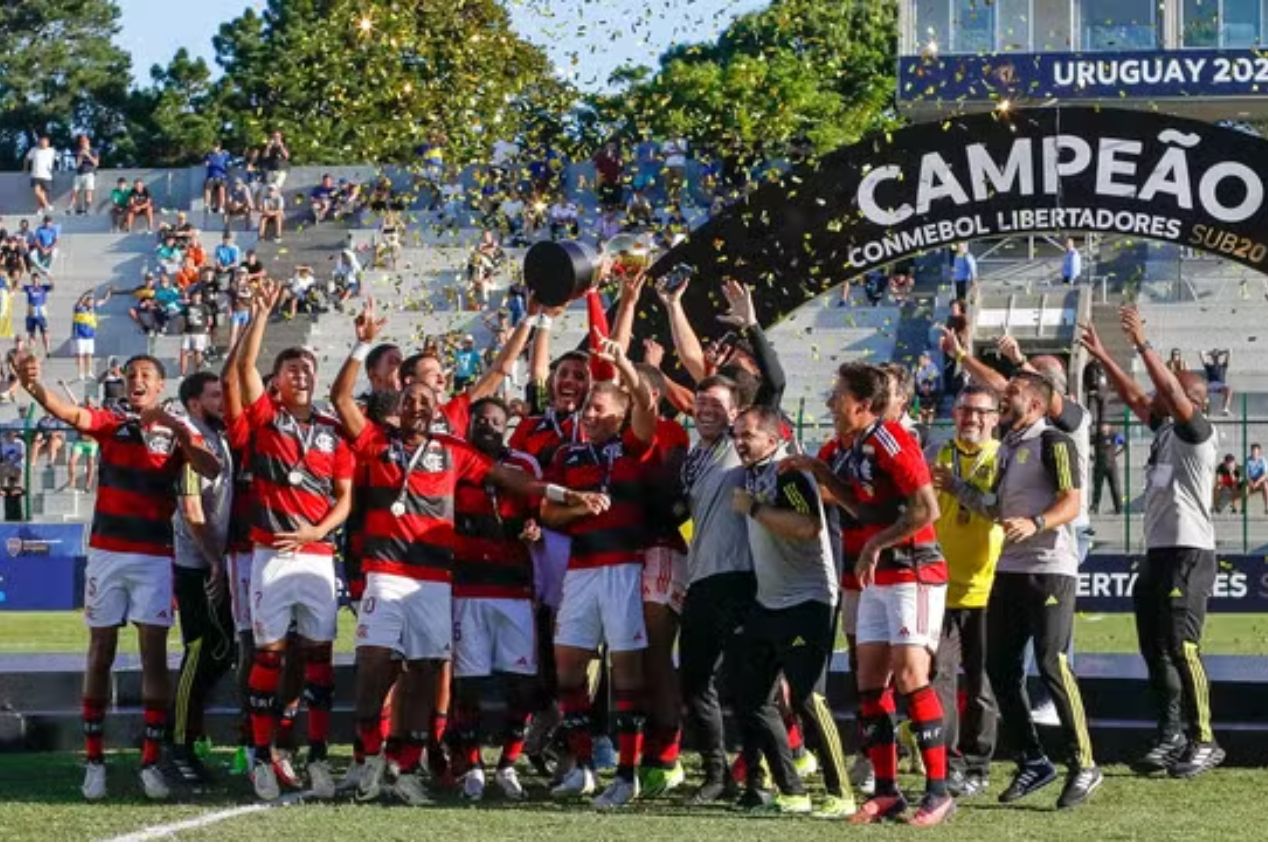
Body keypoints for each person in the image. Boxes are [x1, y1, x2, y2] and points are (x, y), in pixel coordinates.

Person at [14, 351, 220, 802]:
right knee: (100, 651)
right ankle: (94, 762)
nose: (136, 381)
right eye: (130, 375)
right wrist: (33, 386)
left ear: (161, 385)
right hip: (107, 553)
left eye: (146, 375)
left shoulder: (178, 430)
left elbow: (212, 469)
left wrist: (179, 429)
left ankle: (149, 762)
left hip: (153, 558)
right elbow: (66, 410)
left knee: (152, 655)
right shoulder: (111, 422)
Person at [790, 363, 951, 825]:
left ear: (862, 404)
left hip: (913, 570)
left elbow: (927, 508)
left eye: (838, 393)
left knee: (909, 674)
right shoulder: (849, 448)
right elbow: (862, 506)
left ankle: (938, 791)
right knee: (869, 681)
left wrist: (876, 546)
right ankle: (886, 791)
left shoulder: (892, 440)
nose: (829, 400)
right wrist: (818, 468)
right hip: (875, 576)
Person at [1080, 307, 1223, 778]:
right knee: (1155, 650)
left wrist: (1143, 344)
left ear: (1192, 401)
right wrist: (1104, 355)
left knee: (1183, 648)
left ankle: (1205, 739)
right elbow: (1138, 395)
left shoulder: (1198, 434)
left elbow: (1164, 391)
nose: (1162, 396)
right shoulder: (1164, 431)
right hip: (1158, 554)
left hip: (1189, 553)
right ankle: (1170, 735)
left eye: (1176, 391)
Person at [227, 280, 354, 801]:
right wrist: (261, 315)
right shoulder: (265, 420)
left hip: (318, 555)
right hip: (271, 555)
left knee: (319, 659)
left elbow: (344, 497)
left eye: (307, 368)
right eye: (291, 369)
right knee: (270, 656)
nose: (301, 375)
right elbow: (240, 370)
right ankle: (261, 756)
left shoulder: (332, 430)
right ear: (276, 381)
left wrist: (318, 531)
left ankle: (318, 758)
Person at [540, 340, 656, 808]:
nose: (588, 414)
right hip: (581, 570)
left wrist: (625, 364)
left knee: (626, 674)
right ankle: (583, 766)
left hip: (624, 570)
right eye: (586, 406)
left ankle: (627, 774)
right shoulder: (567, 458)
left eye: (598, 407)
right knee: (568, 670)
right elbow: (547, 514)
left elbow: (647, 403)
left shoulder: (633, 448)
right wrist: (576, 504)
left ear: (619, 416)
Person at [725, 404, 854, 819]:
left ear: (773, 437)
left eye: (748, 435)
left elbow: (808, 526)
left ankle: (841, 791)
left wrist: (756, 510)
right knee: (752, 699)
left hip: (807, 601)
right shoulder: (753, 474)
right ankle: (791, 790)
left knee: (807, 698)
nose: (740, 442)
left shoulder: (788, 473)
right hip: (768, 603)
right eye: (737, 435)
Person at [987, 371, 1099, 808]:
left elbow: (1072, 502)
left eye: (1011, 391)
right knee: (1000, 669)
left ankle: (1084, 764)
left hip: (1051, 568)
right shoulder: (1009, 448)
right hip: (1010, 569)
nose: (1003, 394)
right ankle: (1033, 760)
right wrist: (955, 488)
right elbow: (995, 508)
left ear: (1034, 405)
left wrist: (1035, 523)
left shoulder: (1055, 442)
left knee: (1053, 663)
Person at [927, 385, 1003, 798]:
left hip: (987, 588)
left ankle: (979, 764)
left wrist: (957, 488)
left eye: (979, 412)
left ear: (995, 416)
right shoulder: (936, 453)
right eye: (963, 411)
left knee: (981, 684)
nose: (970, 418)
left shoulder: (1002, 457)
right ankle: (948, 762)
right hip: (939, 585)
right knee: (939, 678)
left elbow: (997, 508)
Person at [167, 372, 235, 784]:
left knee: (220, 650)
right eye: (215, 395)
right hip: (196, 563)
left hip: (214, 560)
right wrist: (214, 560)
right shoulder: (190, 438)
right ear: (194, 402)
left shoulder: (217, 435)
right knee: (199, 648)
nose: (223, 400)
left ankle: (191, 734)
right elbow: (192, 510)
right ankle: (179, 743)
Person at [71, 288, 111, 381]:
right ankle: (80, 373)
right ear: (86, 301)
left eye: (92, 301)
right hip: (79, 335)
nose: (92, 303)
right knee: (80, 355)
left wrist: (108, 293)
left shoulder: (93, 309)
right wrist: (86, 293)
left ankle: (88, 372)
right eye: (90, 301)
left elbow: (103, 301)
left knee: (88, 354)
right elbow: (79, 301)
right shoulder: (80, 309)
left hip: (89, 336)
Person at [1091, 422, 1124, 515]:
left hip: (1111, 466)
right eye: (1102, 425)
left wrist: (1115, 455)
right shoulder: (1096, 436)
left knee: (1115, 487)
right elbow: (1085, 443)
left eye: (1105, 425)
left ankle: (1119, 508)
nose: (1103, 427)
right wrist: (1091, 457)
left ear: (1109, 426)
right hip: (1099, 466)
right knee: (1097, 488)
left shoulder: (1114, 436)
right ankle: (1095, 507)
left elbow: (1125, 444)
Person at [180, 289, 213, 376]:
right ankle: (182, 373)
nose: (196, 297)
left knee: (197, 351)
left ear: (200, 297)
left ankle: (197, 371)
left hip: (200, 332)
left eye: (197, 295)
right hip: (188, 332)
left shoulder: (204, 307)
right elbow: (183, 318)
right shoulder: (187, 307)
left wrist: (207, 328)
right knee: (183, 351)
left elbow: (210, 320)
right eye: (194, 295)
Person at [22, 276, 54, 356]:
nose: (35, 282)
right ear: (31, 280)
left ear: (39, 280)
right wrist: (18, 278)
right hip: (31, 314)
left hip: (41, 314)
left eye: (36, 280)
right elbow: (19, 287)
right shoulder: (29, 288)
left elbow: (52, 287)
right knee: (31, 333)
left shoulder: (43, 288)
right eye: (33, 281)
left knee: (45, 332)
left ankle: (47, 350)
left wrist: (50, 278)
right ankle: (32, 352)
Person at [68, 135, 99, 216]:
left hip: (89, 173)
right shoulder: (79, 151)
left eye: (84, 141)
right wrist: (80, 156)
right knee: (74, 190)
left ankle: (87, 209)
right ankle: (70, 207)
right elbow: (77, 166)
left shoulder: (93, 151)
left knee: (88, 191)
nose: (83, 143)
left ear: (88, 141)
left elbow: (96, 163)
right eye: (81, 141)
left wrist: (88, 155)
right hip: (79, 174)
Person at [25, 136, 56, 214]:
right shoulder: (34, 150)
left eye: (45, 142)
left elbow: (56, 160)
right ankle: (47, 205)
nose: (43, 143)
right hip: (35, 174)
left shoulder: (51, 150)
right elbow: (27, 159)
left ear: (48, 143)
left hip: (47, 175)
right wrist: (25, 169)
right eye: (41, 142)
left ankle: (40, 208)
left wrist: (53, 168)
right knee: (37, 192)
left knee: (42, 193)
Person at [1200, 349, 1233, 416]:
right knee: (1202, 389)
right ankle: (1204, 410)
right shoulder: (1208, 366)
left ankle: (1225, 409)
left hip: (1221, 385)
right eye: (1214, 356)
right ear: (1212, 357)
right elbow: (1201, 353)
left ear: (1219, 357)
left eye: (1217, 356)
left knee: (1229, 389)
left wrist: (1220, 353)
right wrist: (1210, 353)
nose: (1216, 357)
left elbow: (1230, 351)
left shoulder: (1223, 366)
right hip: (1210, 385)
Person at [204, 141, 232, 214]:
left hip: (221, 176)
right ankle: (207, 206)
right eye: (213, 146)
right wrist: (208, 163)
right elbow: (206, 163)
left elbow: (229, 163)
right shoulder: (209, 155)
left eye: (216, 146)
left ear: (219, 147)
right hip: (211, 176)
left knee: (221, 188)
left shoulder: (224, 155)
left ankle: (221, 207)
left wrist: (228, 164)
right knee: (208, 187)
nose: (214, 148)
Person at [1246, 443, 1268, 514]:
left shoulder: (1263, 460)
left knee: (1266, 486)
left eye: (1256, 452)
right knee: (1245, 488)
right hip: (1251, 480)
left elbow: (1265, 474)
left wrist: (1258, 482)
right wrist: (1250, 481)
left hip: (1260, 480)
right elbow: (1246, 474)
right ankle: (1245, 507)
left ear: (1259, 452)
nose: (1254, 454)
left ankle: (1266, 507)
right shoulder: (1247, 460)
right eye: (1253, 452)